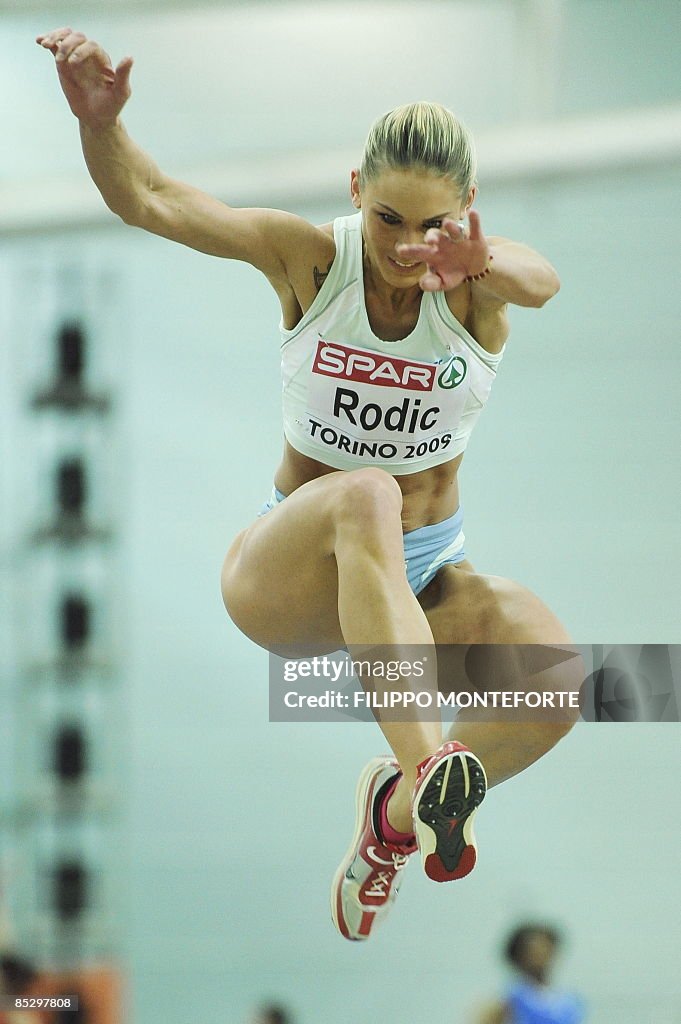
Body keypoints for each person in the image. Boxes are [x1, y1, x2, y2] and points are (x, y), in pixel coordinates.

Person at [37, 27, 582, 942]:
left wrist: (474, 260)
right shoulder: (311, 262)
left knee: (555, 682)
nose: (408, 247)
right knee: (368, 489)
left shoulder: (473, 285)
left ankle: (390, 824)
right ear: (356, 191)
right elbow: (154, 200)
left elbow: (546, 281)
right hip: (290, 567)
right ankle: (423, 771)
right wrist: (103, 126)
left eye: (432, 225)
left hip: (420, 579)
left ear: (466, 209)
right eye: (389, 220)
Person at [474, 922, 586, 1024]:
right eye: (534, 952)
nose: (542, 956)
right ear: (518, 956)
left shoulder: (569, 1000)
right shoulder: (508, 1000)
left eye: (546, 949)